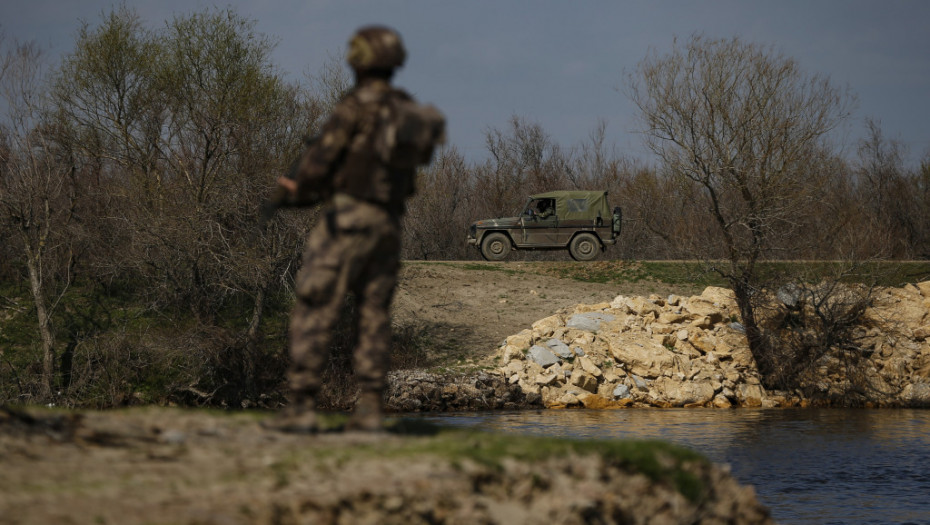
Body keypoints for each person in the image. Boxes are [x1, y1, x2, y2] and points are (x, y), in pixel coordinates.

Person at [269, 26, 443, 433]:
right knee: (373, 316)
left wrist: (294, 189)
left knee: (316, 304)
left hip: (348, 220)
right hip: (388, 224)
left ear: (358, 60)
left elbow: (317, 167)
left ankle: (301, 404)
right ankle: (369, 407)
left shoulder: (354, 108)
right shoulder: (408, 111)